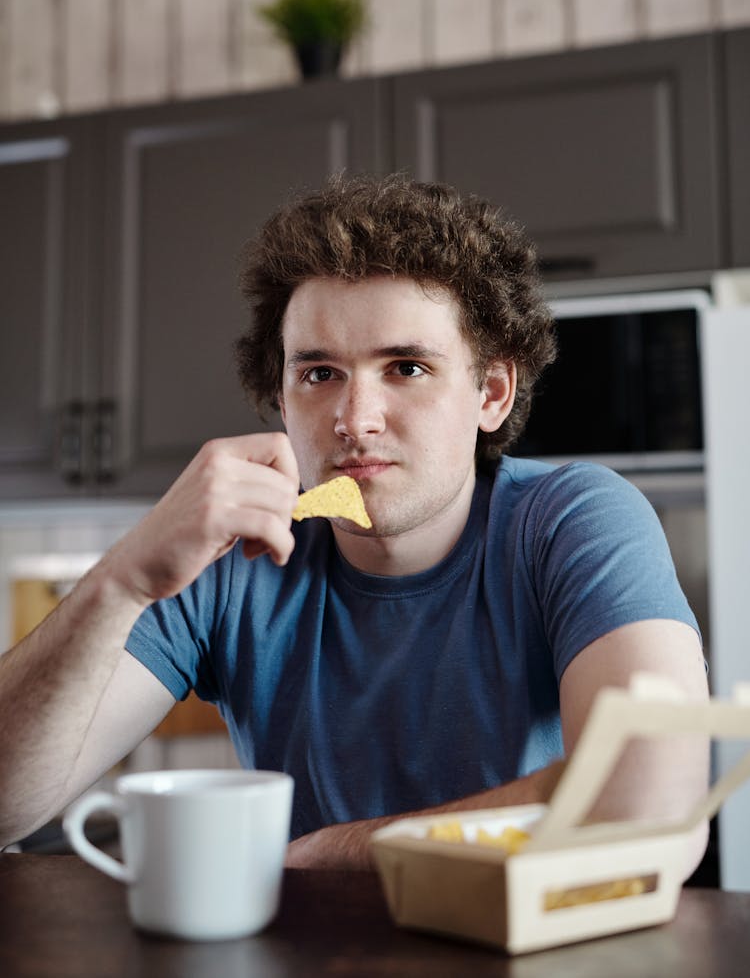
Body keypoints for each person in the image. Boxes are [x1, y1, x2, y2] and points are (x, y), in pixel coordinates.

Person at [0, 173, 708, 871]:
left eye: (405, 367)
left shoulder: (573, 520)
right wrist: (122, 579)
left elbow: (653, 807)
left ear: (491, 392)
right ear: (280, 397)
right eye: (318, 373)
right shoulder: (232, 552)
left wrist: (326, 854)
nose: (353, 420)